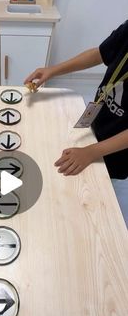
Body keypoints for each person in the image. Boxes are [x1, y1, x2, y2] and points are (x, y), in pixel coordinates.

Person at [24, 20, 128, 225]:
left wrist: (92, 152)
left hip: (119, 151)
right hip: (100, 123)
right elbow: (99, 53)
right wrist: (53, 70)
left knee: (100, 192)